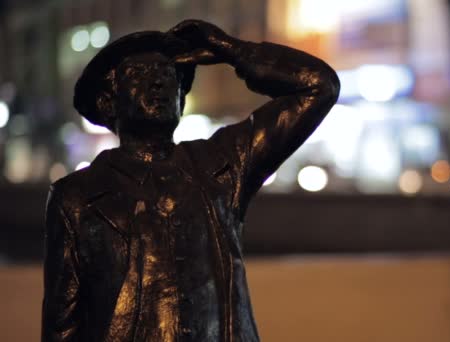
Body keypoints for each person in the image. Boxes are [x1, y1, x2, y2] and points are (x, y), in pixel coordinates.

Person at [42, 19, 340, 341]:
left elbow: (318, 86)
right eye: (140, 75)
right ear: (107, 102)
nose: (158, 82)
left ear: (181, 101)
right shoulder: (75, 197)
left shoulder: (225, 166)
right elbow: (62, 326)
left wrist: (234, 50)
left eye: (167, 74)